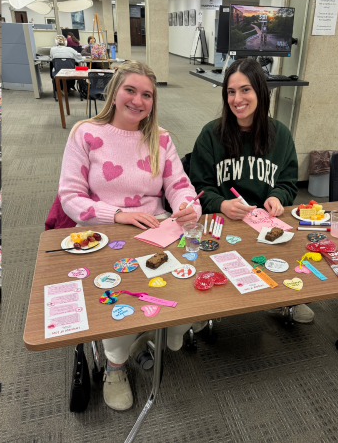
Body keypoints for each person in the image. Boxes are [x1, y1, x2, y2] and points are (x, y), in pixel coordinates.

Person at [58, 61, 202, 411]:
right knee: (119, 299)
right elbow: (70, 197)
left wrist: (186, 206)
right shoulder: (86, 133)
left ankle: (160, 333)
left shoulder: (161, 138)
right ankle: (115, 365)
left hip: (155, 230)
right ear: (114, 92)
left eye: (147, 95)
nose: (138, 101)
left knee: (198, 288)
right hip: (101, 232)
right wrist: (119, 214)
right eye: (130, 90)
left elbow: (180, 186)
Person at [188, 58, 304, 321]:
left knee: (294, 267)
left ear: (260, 93)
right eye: (231, 91)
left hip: (266, 226)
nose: (237, 99)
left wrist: (277, 196)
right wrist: (222, 204)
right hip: (222, 226)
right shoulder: (211, 134)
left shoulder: (281, 134)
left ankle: (286, 298)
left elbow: (288, 183)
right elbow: (198, 188)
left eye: (245, 89)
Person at [50, 35, 84, 102]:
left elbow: (51, 58)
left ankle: (60, 89)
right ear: (66, 42)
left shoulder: (52, 49)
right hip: (71, 73)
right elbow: (80, 58)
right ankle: (68, 87)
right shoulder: (70, 49)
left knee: (52, 66)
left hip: (58, 73)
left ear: (56, 42)